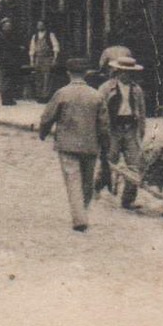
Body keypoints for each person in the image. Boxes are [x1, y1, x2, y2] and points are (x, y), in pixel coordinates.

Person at [38, 58, 110, 232]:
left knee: (73, 180)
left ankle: (79, 218)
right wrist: (105, 145)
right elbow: (104, 125)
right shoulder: (96, 95)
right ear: (85, 74)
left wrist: (43, 132)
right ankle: (82, 212)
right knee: (87, 182)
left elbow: (48, 116)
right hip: (90, 145)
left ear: (68, 73)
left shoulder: (62, 94)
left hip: (67, 145)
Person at [98, 55, 147, 207]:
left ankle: (128, 200)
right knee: (109, 161)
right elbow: (98, 110)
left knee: (135, 165)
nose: (127, 75)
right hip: (113, 129)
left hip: (130, 129)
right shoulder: (106, 88)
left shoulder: (136, 90)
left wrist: (140, 132)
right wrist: (100, 132)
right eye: (124, 72)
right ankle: (96, 187)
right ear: (118, 72)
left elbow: (142, 112)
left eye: (130, 72)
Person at [28, 20, 60, 102]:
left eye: (41, 25)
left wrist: (54, 58)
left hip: (47, 58)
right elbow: (32, 48)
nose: (40, 26)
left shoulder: (50, 35)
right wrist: (32, 60)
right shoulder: (35, 36)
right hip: (38, 58)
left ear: (44, 26)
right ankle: (39, 95)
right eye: (38, 25)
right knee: (38, 77)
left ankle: (45, 96)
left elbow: (55, 47)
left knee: (47, 77)